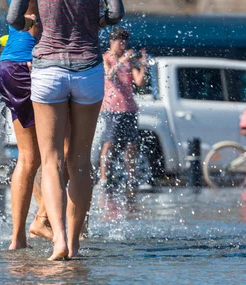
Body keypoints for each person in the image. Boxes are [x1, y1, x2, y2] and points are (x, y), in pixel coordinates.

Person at [8, 0, 124, 260]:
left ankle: (58, 238)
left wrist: (32, 24)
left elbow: (14, 19)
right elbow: (116, 14)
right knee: (80, 161)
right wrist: (98, 22)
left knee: (51, 161)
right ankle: (73, 243)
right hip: (88, 69)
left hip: (48, 69)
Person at [0, 0, 53, 250]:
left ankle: (18, 238)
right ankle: (41, 220)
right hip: (30, 64)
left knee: (29, 157)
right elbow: (33, 20)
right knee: (64, 152)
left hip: (9, 65)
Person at [99, 27, 147, 195]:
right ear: (112, 42)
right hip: (112, 108)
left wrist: (143, 66)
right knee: (109, 142)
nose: (123, 45)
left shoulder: (129, 61)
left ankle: (131, 177)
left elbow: (140, 82)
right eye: (120, 41)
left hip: (129, 107)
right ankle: (104, 178)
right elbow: (109, 75)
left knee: (132, 144)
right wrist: (122, 59)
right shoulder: (106, 58)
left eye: (125, 41)